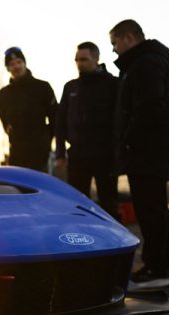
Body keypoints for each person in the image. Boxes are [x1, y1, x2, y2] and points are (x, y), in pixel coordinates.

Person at [109, 19, 169, 290]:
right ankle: (166, 265)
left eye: (115, 43)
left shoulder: (146, 63)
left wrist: (128, 141)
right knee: (155, 208)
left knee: (150, 209)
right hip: (151, 145)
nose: (114, 50)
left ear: (128, 38)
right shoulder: (143, 62)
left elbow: (148, 107)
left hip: (148, 147)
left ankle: (157, 268)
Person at [55, 42, 119, 218]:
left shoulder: (112, 84)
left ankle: (113, 241)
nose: (79, 63)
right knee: (77, 204)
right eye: (77, 60)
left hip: (105, 155)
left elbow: (120, 119)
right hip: (77, 155)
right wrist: (60, 153)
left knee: (108, 203)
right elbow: (60, 122)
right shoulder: (71, 87)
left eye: (84, 59)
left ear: (96, 59)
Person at [0, 47, 57, 172]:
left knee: (40, 185)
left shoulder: (42, 87)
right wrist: (12, 136)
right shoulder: (3, 94)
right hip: (17, 150)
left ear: (25, 63)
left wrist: (46, 138)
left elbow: (55, 116)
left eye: (19, 62)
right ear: (8, 68)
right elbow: (3, 119)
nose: (16, 66)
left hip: (39, 149)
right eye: (12, 64)